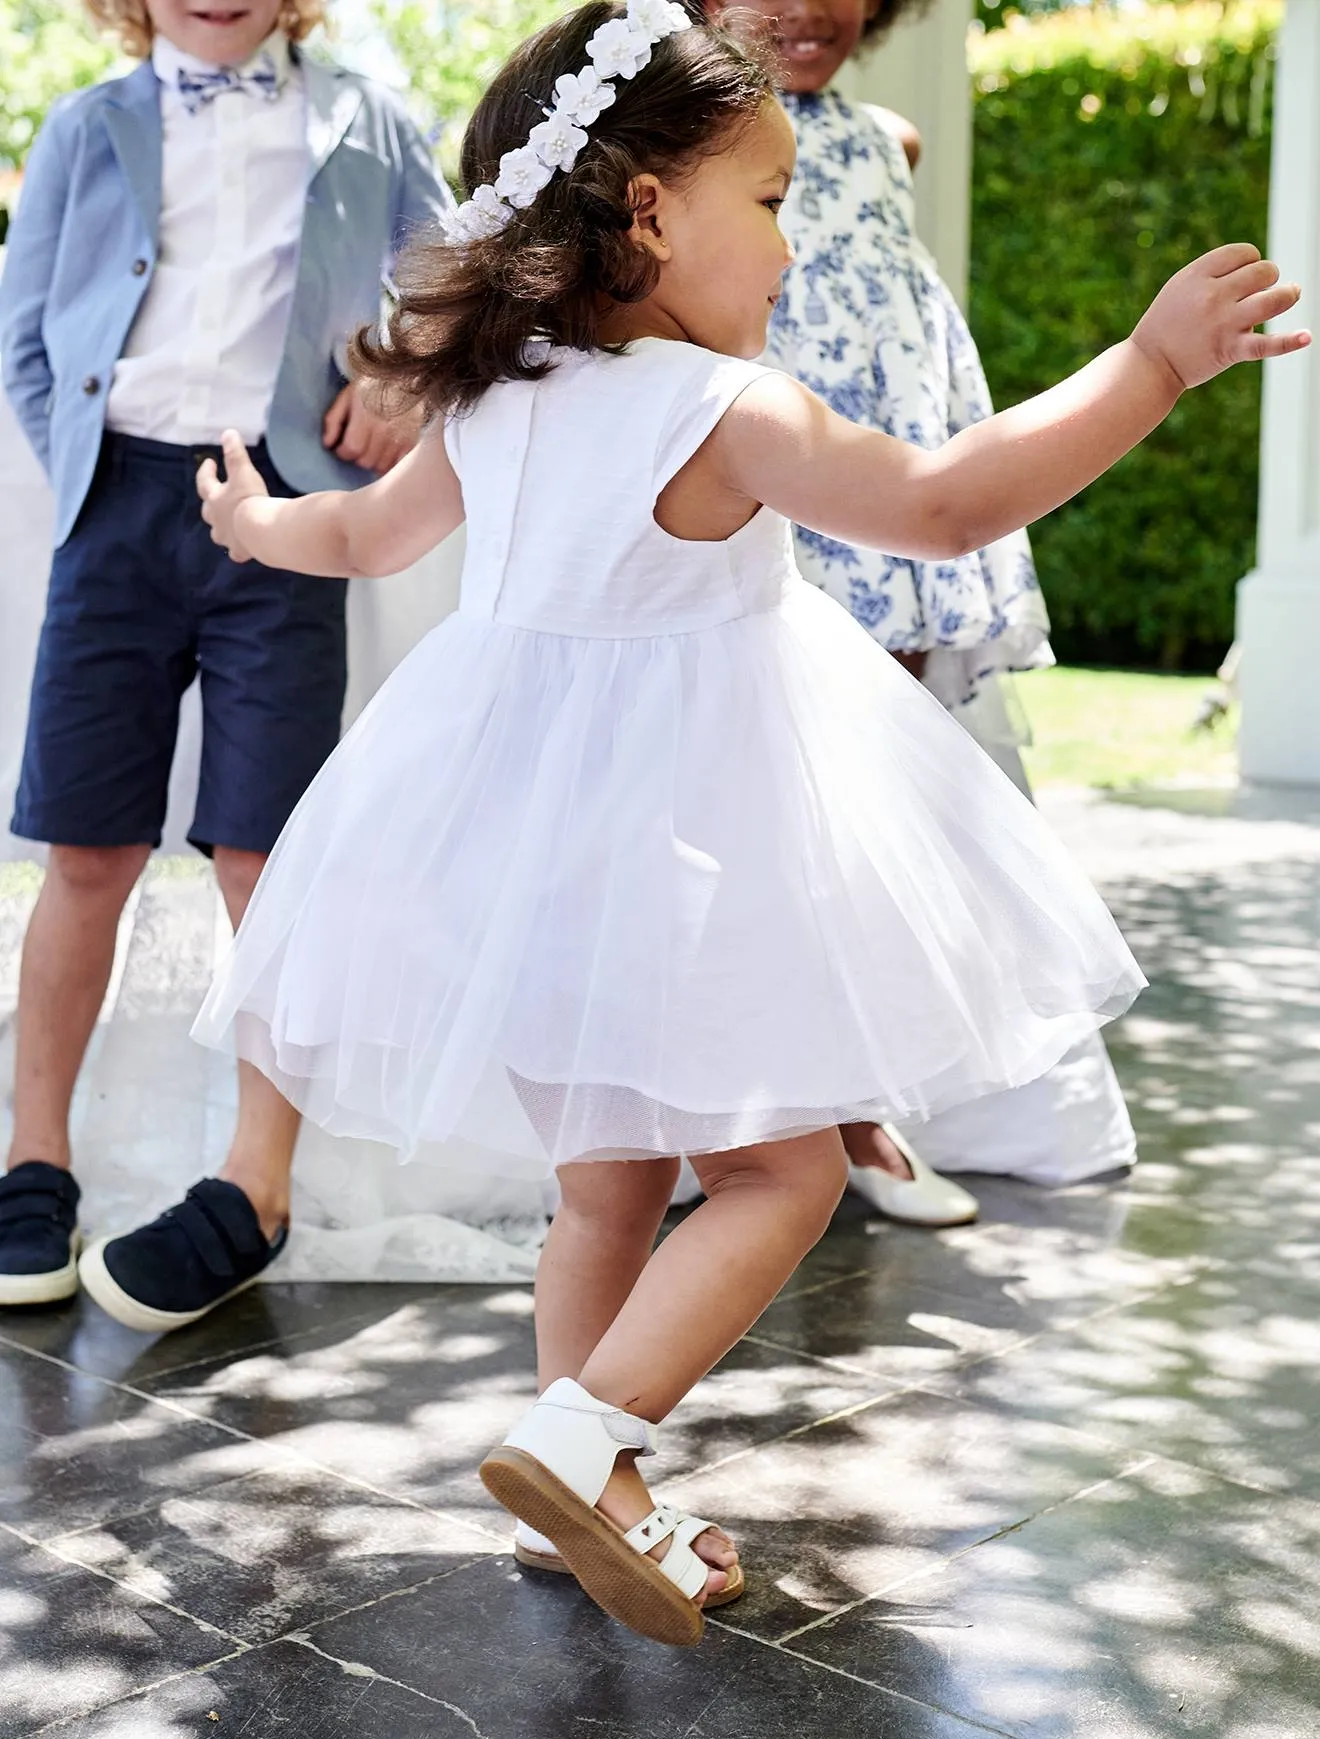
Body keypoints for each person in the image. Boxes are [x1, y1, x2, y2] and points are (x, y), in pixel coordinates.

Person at [191, 0, 1302, 1646]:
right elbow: (941, 499)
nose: (790, 246)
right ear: (650, 211)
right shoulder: (712, 407)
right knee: (778, 1175)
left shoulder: (499, 400)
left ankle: (592, 1496)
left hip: (512, 847)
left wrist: (256, 522)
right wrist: (1148, 366)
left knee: (606, 1195)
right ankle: (582, 1439)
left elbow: (362, 539)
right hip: (682, 844)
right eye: (771, 204)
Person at [0, 0, 451, 1322]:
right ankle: (34, 1157)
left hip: (289, 511)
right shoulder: (86, 127)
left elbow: (446, 298)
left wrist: (403, 376)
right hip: (117, 516)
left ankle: (256, 1183)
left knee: (265, 852)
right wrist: (83, 472)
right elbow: (27, 330)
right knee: (88, 848)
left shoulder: (368, 120)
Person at [728, 0, 1138, 1223]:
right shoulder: (679, 144)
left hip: (892, 525)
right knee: (750, 813)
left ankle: (852, 1104)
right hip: (761, 505)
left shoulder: (884, 141)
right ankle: (757, 1110)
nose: (806, 10)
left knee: (865, 819)